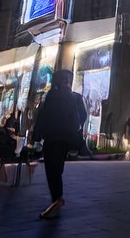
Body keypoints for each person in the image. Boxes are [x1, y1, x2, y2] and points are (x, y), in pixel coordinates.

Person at [31, 70, 87, 219]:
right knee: (57, 168)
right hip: (66, 138)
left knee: (52, 170)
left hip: (52, 137)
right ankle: (57, 198)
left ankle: (57, 199)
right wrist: (75, 127)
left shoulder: (51, 96)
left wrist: (36, 135)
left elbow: (43, 116)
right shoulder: (75, 97)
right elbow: (83, 116)